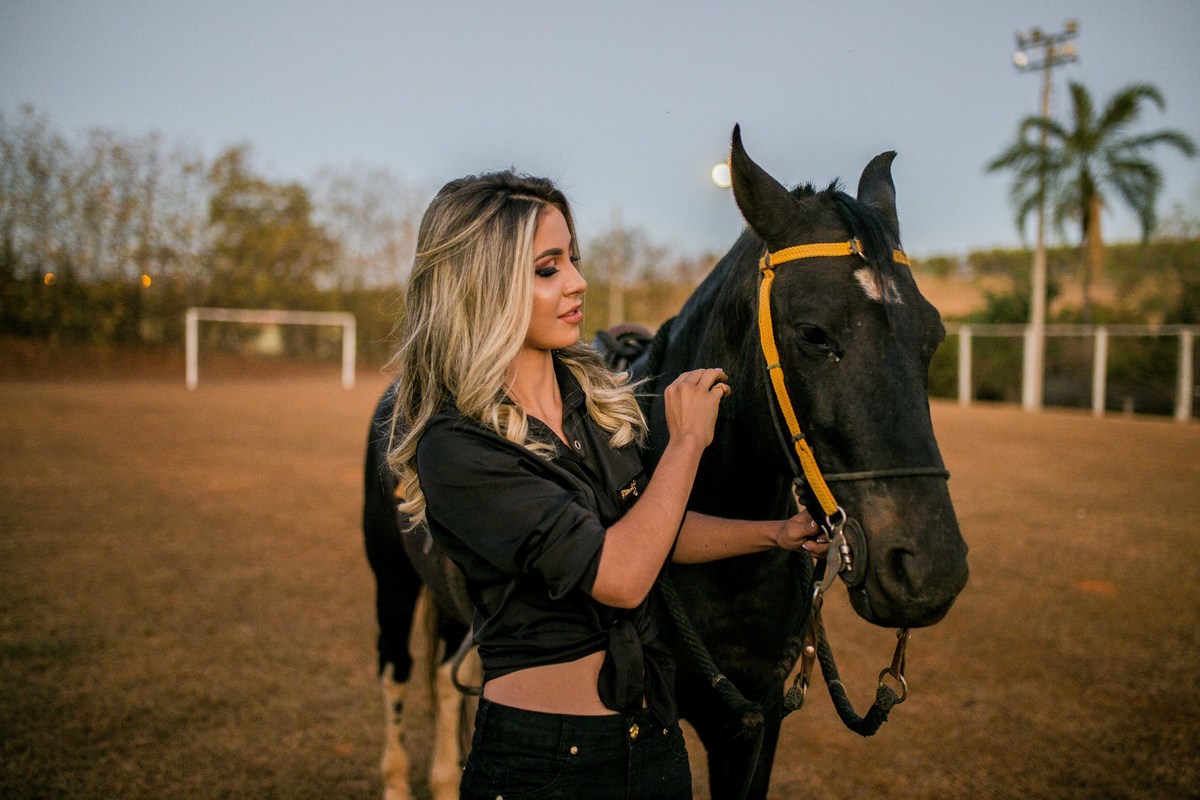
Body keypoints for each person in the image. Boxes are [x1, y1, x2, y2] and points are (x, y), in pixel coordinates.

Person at [386, 171, 827, 800]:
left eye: (573, 260)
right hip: (542, 762)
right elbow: (619, 574)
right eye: (547, 269)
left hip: (652, 743)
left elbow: (653, 528)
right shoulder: (457, 447)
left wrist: (773, 533)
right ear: (481, 286)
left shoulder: (593, 402)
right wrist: (685, 443)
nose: (577, 282)